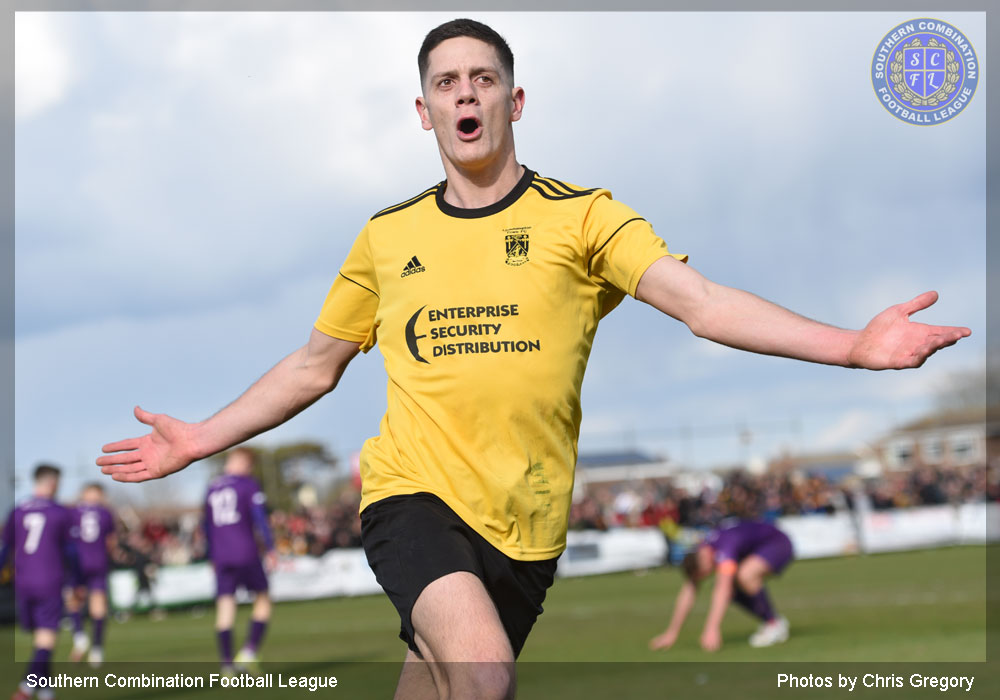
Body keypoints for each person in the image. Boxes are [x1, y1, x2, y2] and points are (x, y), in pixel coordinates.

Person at [97, 18, 971, 700]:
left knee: (443, 687)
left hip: (526, 525)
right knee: (483, 677)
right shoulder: (387, 235)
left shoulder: (584, 218)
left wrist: (852, 348)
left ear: (515, 101)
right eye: (447, 82)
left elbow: (703, 306)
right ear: (425, 108)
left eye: (483, 79)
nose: (465, 94)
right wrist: (200, 438)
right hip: (413, 495)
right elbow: (313, 365)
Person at [649, 520, 794, 653]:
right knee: (733, 585)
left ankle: (773, 624)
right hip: (760, 547)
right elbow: (689, 591)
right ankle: (773, 622)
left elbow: (722, 588)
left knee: (744, 576)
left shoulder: (724, 547)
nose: (708, 575)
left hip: (778, 543)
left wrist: (711, 628)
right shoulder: (704, 550)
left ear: (705, 560)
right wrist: (672, 632)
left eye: (705, 573)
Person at [1, 464, 78, 700]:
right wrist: (77, 581)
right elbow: (71, 551)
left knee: (40, 639)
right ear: (53, 482)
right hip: (49, 579)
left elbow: (5, 548)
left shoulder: (18, 509)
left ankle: (46, 692)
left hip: (23, 582)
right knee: (46, 639)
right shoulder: (59, 512)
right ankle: (26, 688)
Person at [204, 447, 275, 674]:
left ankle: (226, 665)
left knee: (225, 608)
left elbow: (205, 526)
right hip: (245, 551)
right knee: (262, 599)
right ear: (246, 464)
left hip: (221, 556)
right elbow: (259, 518)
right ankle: (249, 653)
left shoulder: (211, 488)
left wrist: (210, 555)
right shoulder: (248, 484)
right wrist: (271, 548)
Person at [67, 482, 116, 668]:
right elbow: (111, 541)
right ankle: (97, 650)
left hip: (78, 562)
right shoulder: (106, 512)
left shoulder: (73, 512)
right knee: (98, 606)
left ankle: (80, 636)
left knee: (74, 602)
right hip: (99, 562)